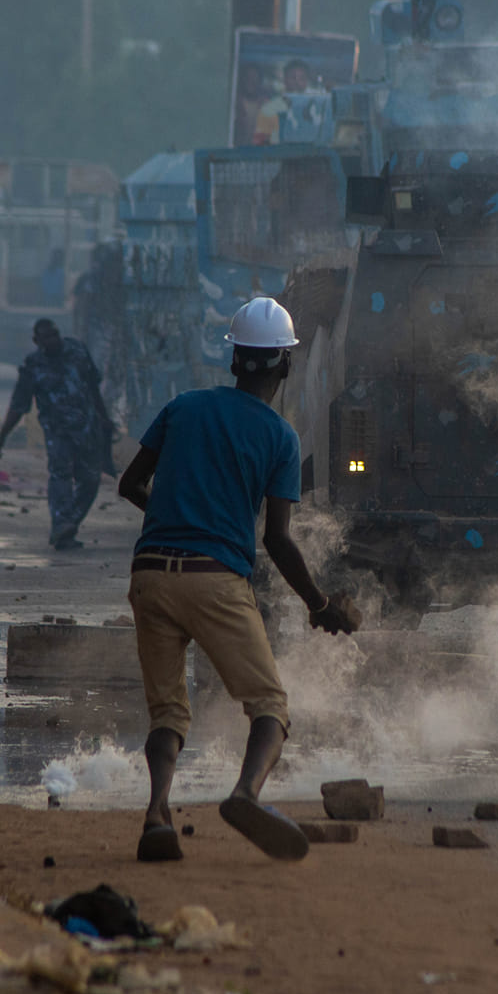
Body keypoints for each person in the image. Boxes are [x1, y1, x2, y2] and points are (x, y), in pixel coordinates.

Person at [116, 296, 360, 864]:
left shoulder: (182, 407)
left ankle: (157, 816)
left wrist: (174, 516)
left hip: (150, 575)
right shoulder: (280, 437)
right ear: (286, 364)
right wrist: (319, 604)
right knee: (270, 706)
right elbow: (277, 540)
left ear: (233, 360)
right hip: (215, 580)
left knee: (168, 713)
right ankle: (245, 795)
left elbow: (130, 485)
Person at [0, 319, 115, 550]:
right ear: (37, 341)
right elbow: (19, 406)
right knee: (60, 475)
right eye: (46, 337)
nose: (53, 340)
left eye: (55, 334)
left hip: (87, 428)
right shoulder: (33, 366)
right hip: (58, 431)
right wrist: (1, 437)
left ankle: (68, 524)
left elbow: (93, 387)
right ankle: (61, 524)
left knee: (90, 480)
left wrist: (104, 418)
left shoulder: (77, 351)